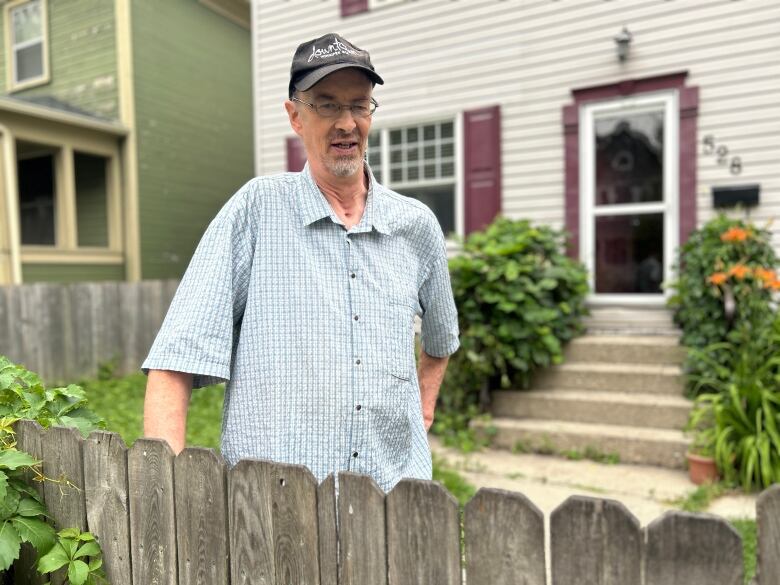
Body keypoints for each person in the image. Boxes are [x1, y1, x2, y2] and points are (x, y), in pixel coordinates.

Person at [142, 33, 459, 493]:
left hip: (394, 504)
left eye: (359, 105)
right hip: (273, 509)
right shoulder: (256, 210)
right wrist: (164, 492)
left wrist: (421, 411)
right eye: (327, 105)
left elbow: (441, 338)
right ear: (295, 115)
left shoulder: (417, 225)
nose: (346, 123)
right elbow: (176, 360)